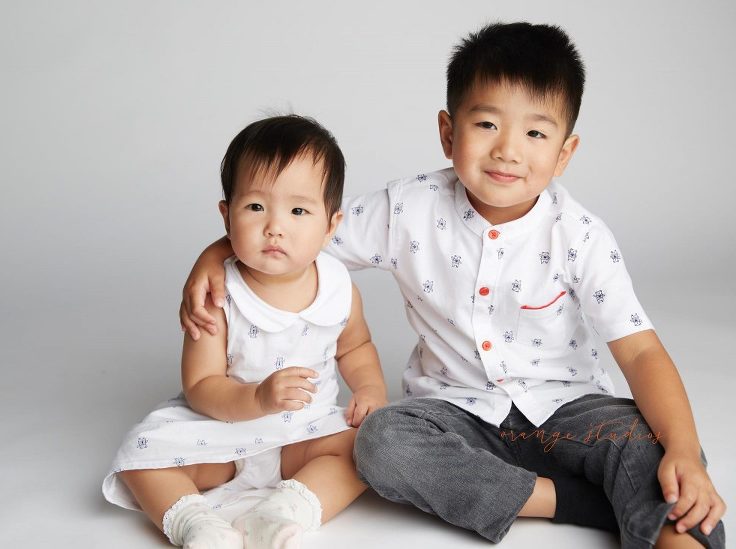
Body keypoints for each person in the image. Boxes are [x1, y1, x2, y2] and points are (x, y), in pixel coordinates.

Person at [179, 23, 726, 548]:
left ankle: (671, 533)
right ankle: (570, 503)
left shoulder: (581, 236)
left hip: (570, 410)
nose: (508, 150)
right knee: (382, 442)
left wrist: (680, 445)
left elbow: (641, 352)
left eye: (535, 133)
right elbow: (301, 232)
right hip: (455, 418)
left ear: (564, 153)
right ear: (448, 132)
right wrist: (218, 250)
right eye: (487, 125)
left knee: (654, 453)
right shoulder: (407, 209)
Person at [103, 115, 388, 549]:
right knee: (140, 457)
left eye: (298, 211)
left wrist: (370, 389)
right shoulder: (218, 292)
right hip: (224, 433)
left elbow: (356, 346)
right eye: (255, 207)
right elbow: (200, 385)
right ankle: (196, 525)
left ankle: (283, 512)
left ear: (331, 225)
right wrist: (256, 399)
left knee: (364, 452)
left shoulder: (337, 287)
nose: (275, 226)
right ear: (226, 214)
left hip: (303, 432)